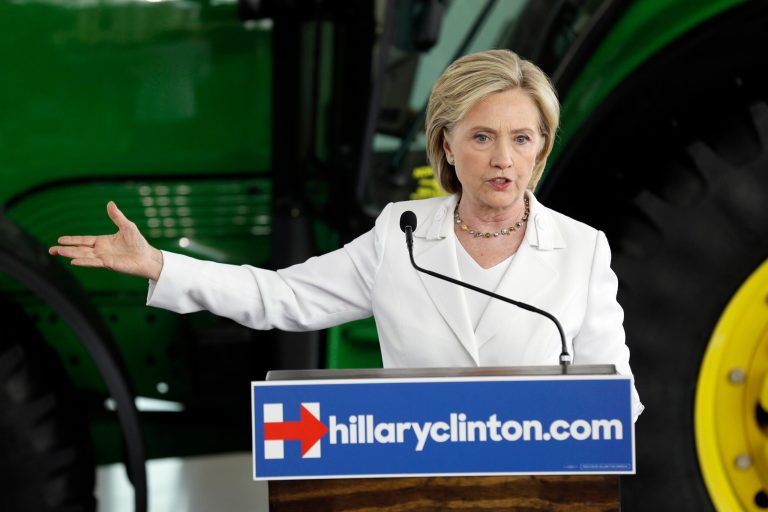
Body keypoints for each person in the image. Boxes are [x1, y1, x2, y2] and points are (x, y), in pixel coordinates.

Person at [49, 49, 643, 420]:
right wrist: (160, 265)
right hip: (415, 489)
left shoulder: (583, 249)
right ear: (447, 145)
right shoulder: (400, 235)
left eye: (522, 137)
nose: (503, 159)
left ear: (541, 146)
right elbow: (278, 297)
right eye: (482, 137)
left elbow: (619, 400)